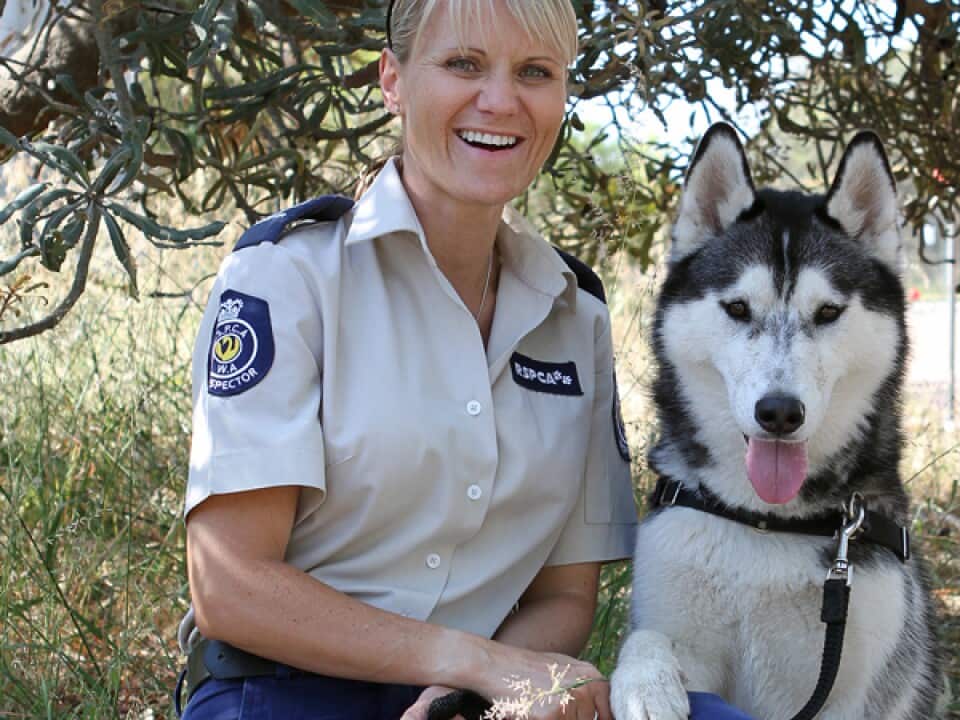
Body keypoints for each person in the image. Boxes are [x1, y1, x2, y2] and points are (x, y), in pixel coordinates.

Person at [175, 1, 637, 718]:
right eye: (463, 64)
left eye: (535, 72)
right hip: (280, 690)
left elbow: (564, 594)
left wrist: (467, 696)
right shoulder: (287, 279)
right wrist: (475, 662)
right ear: (392, 80)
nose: (500, 101)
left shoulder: (577, 319)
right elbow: (230, 585)